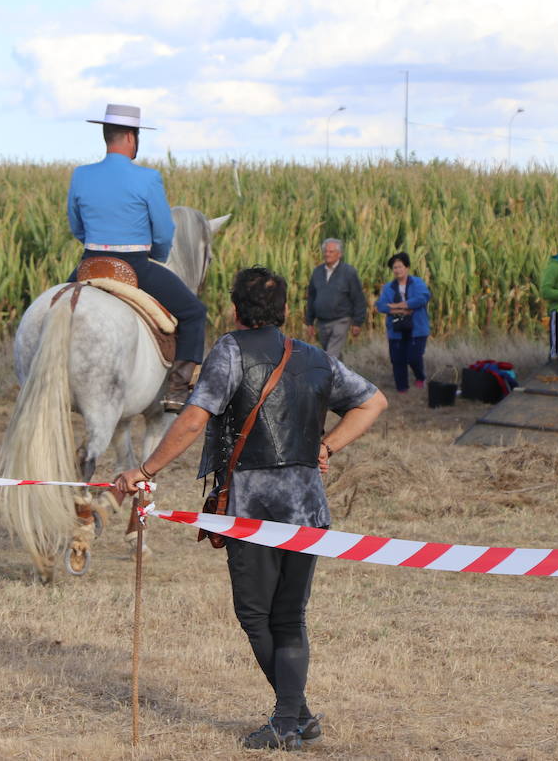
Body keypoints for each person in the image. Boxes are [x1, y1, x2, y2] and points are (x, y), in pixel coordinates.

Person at [115, 266, 387, 752]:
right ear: (284, 311)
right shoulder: (315, 356)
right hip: (307, 506)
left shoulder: (230, 350)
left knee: (256, 615)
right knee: (288, 616)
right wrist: (327, 448)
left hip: (252, 508)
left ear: (235, 309)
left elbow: (196, 417)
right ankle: (296, 715)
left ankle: (289, 719)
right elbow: (373, 402)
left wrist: (147, 469)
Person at [67, 103, 207, 411]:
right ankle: (177, 389)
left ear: (107, 137)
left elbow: (76, 226)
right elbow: (162, 232)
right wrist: (156, 254)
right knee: (195, 312)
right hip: (135, 265)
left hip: (88, 264)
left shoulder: (81, 175)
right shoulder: (147, 178)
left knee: (56, 307)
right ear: (131, 138)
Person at [374, 252, 431, 394]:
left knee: (414, 357)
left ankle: (420, 377)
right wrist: (399, 310)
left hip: (416, 327)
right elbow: (381, 305)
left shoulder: (417, 283)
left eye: (400, 267)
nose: (397, 270)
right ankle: (402, 388)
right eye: (394, 268)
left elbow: (422, 298)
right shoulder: (388, 287)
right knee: (397, 359)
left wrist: (399, 305)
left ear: (407, 268)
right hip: (396, 328)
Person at [303, 238, 365, 361]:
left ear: (339, 254)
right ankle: (342, 377)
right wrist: (309, 322)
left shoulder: (349, 272)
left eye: (331, 252)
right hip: (322, 322)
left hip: (341, 319)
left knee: (330, 355)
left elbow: (358, 298)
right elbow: (311, 297)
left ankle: (326, 380)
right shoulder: (317, 272)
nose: (327, 254)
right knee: (332, 354)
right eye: (325, 251)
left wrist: (357, 322)